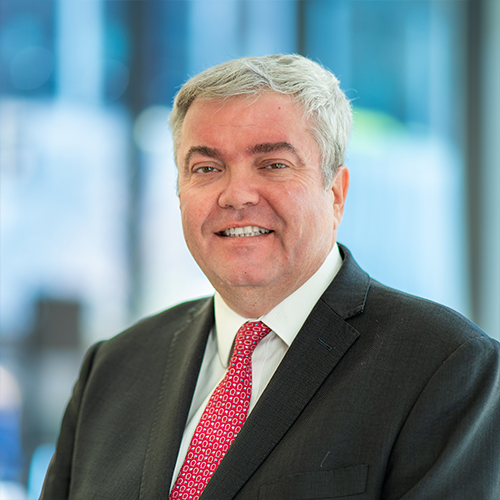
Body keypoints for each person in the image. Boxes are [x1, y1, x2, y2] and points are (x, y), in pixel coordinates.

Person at [40, 54, 500, 500]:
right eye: (207, 169)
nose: (236, 195)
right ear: (179, 191)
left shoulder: (448, 365)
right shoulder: (113, 367)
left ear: (335, 193)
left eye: (273, 165)